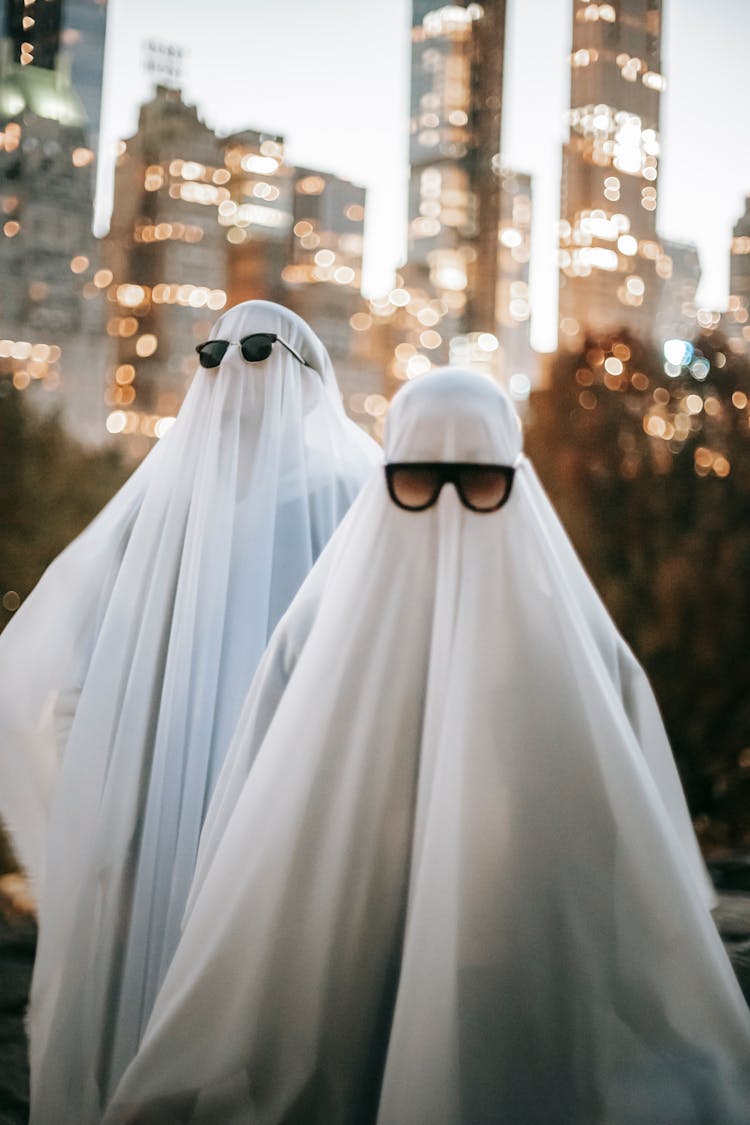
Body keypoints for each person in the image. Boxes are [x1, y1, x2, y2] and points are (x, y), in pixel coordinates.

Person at [103, 368, 750, 1125]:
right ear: (385, 481)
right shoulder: (313, 639)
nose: (446, 509)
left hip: (519, 935)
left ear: (517, 480)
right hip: (342, 934)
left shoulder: (577, 651)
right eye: (416, 480)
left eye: (478, 484)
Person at [0, 299, 379, 1123]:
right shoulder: (164, 512)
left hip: (291, 795)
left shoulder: (356, 491)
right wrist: (104, 812)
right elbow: (92, 663)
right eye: (216, 354)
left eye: (257, 353)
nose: (238, 374)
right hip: (165, 803)